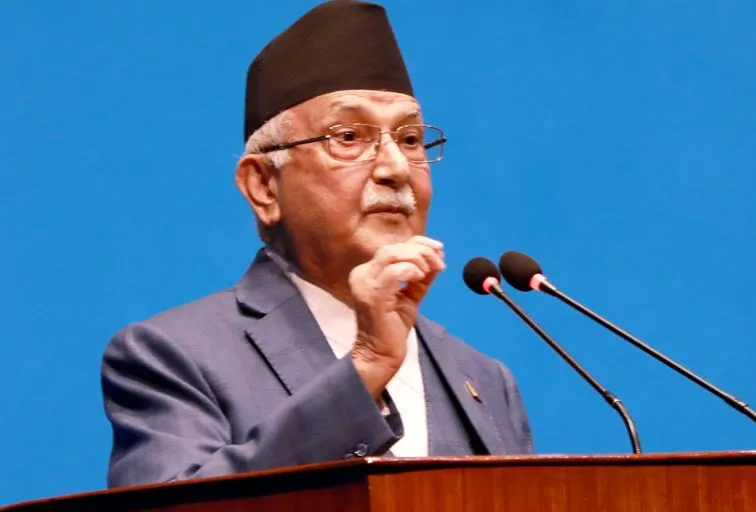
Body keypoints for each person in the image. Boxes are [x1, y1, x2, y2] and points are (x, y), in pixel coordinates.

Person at [100, 0, 534, 488]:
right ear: (263, 186)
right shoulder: (174, 355)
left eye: (411, 139)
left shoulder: (485, 379)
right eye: (348, 137)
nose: (396, 168)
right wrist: (367, 365)